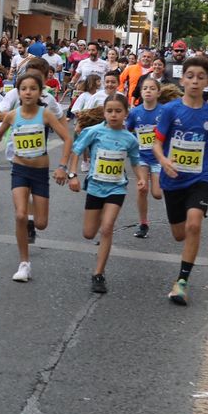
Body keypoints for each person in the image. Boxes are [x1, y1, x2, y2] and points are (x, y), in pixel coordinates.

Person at [152, 56, 208, 306]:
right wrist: (164, 161)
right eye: (190, 76)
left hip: (202, 176)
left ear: (207, 81)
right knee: (180, 234)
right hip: (173, 179)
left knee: (194, 224)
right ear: (183, 79)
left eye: (200, 77)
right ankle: (183, 269)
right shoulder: (170, 111)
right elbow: (156, 143)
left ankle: (182, 281)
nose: (194, 81)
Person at [0, 70, 73, 282]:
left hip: (40, 171)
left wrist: (62, 166)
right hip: (20, 170)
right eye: (23, 89)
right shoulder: (12, 115)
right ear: (18, 92)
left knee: (41, 223)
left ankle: (33, 215)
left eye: (33, 89)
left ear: (40, 93)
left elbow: (67, 138)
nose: (28, 92)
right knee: (20, 215)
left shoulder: (45, 114)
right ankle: (24, 263)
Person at [60, 92, 145, 294]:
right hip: (96, 187)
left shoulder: (130, 138)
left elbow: (135, 161)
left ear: (126, 113)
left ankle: (98, 274)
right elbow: (76, 151)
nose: (113, 115)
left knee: (107, 228)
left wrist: (141, 178)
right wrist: (72, 175)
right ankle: (97, 225)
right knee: (89, 233)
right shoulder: (94, 131)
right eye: (109, 111)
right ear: (104, 113)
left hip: (117, 187)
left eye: (118, 111)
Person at [126, 75, 166, 238]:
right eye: (145, 88)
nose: (148, 91)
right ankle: (143, 223)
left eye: (152, 88)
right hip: (141, 156)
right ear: (141, 92)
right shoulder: (135, 112)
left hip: (158, 157)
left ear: (158, 92)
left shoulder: (164, 111)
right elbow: (127, 132)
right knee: (142, 189)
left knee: (157, 194)